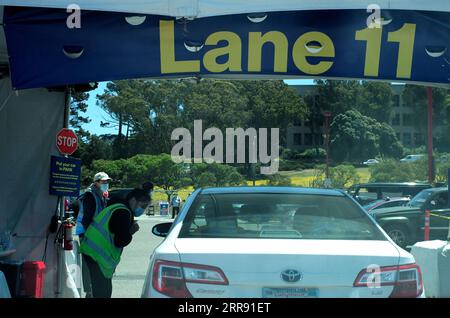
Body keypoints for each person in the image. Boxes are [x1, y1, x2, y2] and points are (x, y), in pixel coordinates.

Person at [79, 188, 150, 298]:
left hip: (92, 251)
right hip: (98, 255)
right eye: (143, 206)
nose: (143, 210)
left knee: (100, 288)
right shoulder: (123, 212)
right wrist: (131, 231)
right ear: (133, 200)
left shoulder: (114, 207)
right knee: (103, 291)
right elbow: (120, 241)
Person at [75, 172, 111, 298]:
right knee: (88, 263)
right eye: (103, 182)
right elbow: (86, 219)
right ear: (96, 182)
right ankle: (89, 291)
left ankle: (92, 289)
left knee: (95, 262)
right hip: (87, 233)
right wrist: (88, 236)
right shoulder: (90, 195)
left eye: (107, 182)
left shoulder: (102, 195)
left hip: (95, 235)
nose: (106, 184)